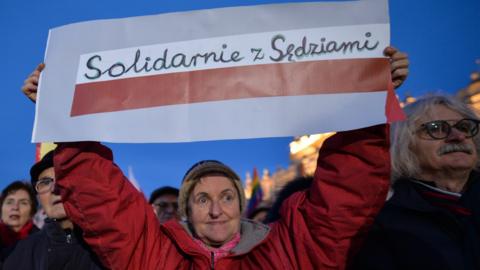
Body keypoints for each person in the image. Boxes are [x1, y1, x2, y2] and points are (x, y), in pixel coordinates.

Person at [22, 47, 408, 269]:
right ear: (187, 210)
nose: (215, 209)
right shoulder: (156, 255)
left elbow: (345, 196)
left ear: (241, 204)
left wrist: (367, 102)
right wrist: (64, 115)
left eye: (226, 196)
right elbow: (102, 199)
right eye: (202, 199)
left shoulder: (290, 248)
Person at [354, 94, 480, 270]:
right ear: (405, 145)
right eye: (436, 128)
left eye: (465, 127)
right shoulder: (381, 227)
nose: (458, 136)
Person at [3, 151, 105, 269]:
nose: (54, 188)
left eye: (63, 179)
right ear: (39, 196)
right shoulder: (16, 256)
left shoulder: (109, 247)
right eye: (45, 182)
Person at [0, 181, 39, 262]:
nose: (15, 207)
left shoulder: (43, 244)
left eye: (23, 203)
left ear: (32, 212)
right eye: (9, 202)